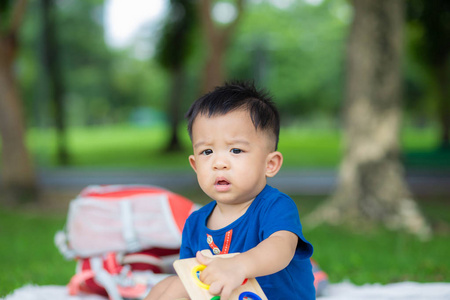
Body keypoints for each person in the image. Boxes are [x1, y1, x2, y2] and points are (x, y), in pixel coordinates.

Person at [145, 81, 315, 300]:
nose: (219, 163)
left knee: (178, 288)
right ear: (195, 165)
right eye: (207, 152)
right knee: (170, 284)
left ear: (269, 164)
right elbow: (192, 279)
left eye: (236, 150)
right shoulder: (195, 222)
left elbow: (281, 248)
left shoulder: (274, 206)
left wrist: (239, 266)